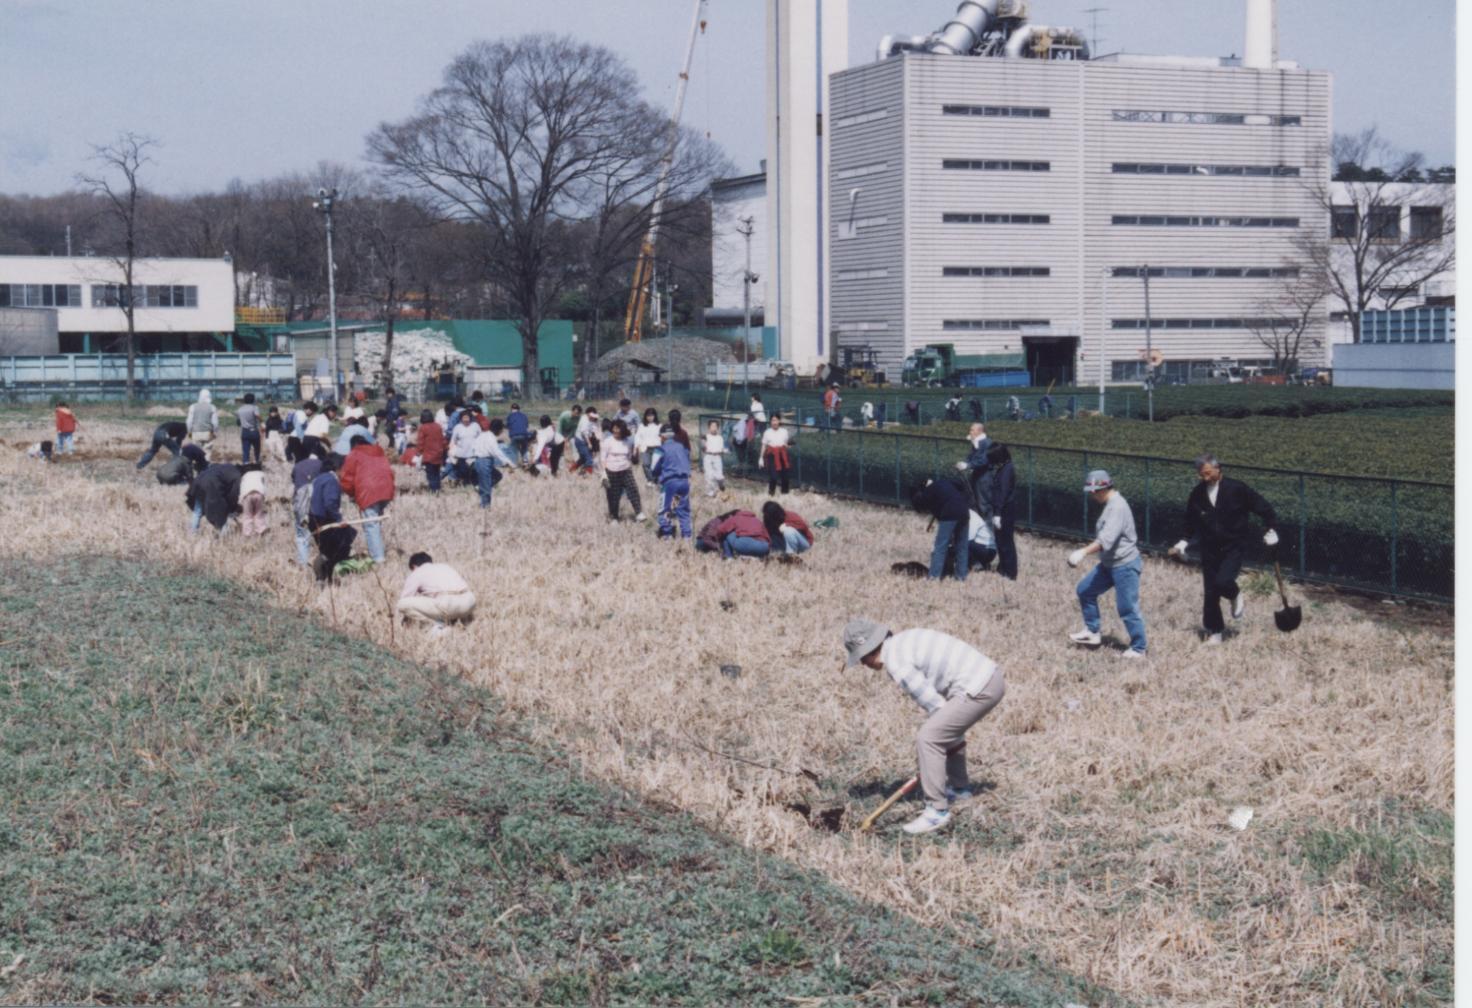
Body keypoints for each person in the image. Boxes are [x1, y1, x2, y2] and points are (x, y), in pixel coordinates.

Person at [842, 620, 1005, 835]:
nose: (863, 664)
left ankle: (936, 811)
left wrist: (930, 762)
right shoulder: (901, 642)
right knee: (941, 731)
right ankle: (959, 789)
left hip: (980, 687)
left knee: (928, 738)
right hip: (990, 678)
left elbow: (936, 708)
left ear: (870, 650)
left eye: (861, 658)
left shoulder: (897, 663)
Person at [1168, 454, 1279, 645]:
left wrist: (1272, 529)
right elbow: (1190, 521)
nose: (1205, 478)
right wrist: (1183, 541)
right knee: (1210, 591)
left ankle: (1235, 594)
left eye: (1208, 473)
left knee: (1224, 581)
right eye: (1201, 475)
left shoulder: (1237, 489)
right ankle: (1214, 631)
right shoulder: (1197, 494)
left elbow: (1264, 508)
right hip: (1209, 547)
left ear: (1219, 468)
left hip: (1233, 545)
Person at [1067, 470, 1146, 658]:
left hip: (1125, 565)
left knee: (1127, 607)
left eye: (1092, 491)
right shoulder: (1110, 504)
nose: (1091, 495)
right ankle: (1092, 632)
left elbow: (1106, 540)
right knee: (1085, 590)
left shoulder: (1117, 507)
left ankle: (1139, 648)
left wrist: (1082, 552)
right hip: (1109, 564)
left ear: (1100, 489)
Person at [339, 434, 394, 563]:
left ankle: (378, 559)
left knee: (371, 525)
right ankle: (378, 551)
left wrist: (352, 494)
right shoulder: (379, 452)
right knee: (376, 522)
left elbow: (346, 479)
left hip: (368, 491)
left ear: (353, 445)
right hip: (386, 489)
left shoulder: (354, 454)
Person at [396, 552, 477, 630]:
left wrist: (403, 621)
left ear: (414, 566)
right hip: (470, 601)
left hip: (449, 604)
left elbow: (405, 599)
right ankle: (460, 622)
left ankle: (437, 627)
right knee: (445, 605)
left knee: (402, 604)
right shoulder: (445, 566)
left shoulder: (417, 572)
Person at [912, 476, 971, 582]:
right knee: (962, 546)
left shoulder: (929, 491)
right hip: (964, 512)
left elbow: (928, 506)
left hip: (950, 514)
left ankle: (934, 577)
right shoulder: (945, 482)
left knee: (940, 546)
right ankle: (961, 576)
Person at [308, 453, 355, 582]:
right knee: (344, 540)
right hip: (324, 519)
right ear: (337, 467)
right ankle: (324, 570)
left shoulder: (320, 478)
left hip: (314, 518)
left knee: (329, 547)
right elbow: (330, 503)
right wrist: (339, 519)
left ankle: (325, 575)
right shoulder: (331, 481)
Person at [600, 418, 645, 521]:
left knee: (633, 490)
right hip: (611, 471)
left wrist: (636, 451)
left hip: (625, 470)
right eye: (614, 428)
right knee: (613, 495)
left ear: (622, 430)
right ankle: (614, 517)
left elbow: (631, 457)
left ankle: (639, 513)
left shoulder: (628, 441)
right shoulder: (608, 441)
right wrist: (604, 472)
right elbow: (603, 458)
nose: (616, 431)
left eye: (618, 429)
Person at [985, 443, 1019, 580]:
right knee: (1001, 540)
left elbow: (1003, 493)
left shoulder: (1006, 470)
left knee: (1006, 541)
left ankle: (1010, 572)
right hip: (1002, 508)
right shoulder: (1004, 468)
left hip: (1005, 509)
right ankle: (1003, 567)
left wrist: (998, 513)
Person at [653, 424, 692, 540]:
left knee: (664, 509)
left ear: (663, 437)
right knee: (683, 509)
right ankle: (687, 535)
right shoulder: (682, 447)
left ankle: (667, 534)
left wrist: (657, 474)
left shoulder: (660, 449)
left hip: (669, 482)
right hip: (684, 481)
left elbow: (653, 467)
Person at [188, 462, 243, 535]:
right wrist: (232, 507)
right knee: (220, 511)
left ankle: (192, 532)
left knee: (198, 510)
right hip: (211, 484)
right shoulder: (237, 475)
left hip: (198, 482)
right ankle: (224, 535)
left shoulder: (225, 467)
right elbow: (234, 494)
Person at [290, 452, 324, 565]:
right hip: (316, 503)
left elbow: (294, 481)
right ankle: (324, 559)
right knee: (322, 531)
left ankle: (302, 563)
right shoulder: (321, 464)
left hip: (301, 503)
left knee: (301, 534)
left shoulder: (298, 465)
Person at [695, 509, 770, 559]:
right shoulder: (758, 521)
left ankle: (728, 557)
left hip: (744, 545)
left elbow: (720, 530)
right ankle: (757, 557)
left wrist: (720, 545)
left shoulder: (736, 518)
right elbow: (767, 537)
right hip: (764, 547)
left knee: (728, 532)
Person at [954, 422, 991, 510]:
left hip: (984, 477)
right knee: (975, 501)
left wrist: (967, 465)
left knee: (983, 503)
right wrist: (964, 463)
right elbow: (971, 456)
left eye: (972, 430)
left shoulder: (986, 443)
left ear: (980, 431)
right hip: (977, 475)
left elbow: (983, 461)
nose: (970, 432)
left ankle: (988, 523)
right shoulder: (977, 442)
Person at [469, 420, 506, 508]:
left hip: (477, 461)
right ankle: (485, 507)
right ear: (498, 430)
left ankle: (479, 487)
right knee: (486, 487)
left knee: (497, 476)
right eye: (501, 430)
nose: (502, 432)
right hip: (485, 461)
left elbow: (473, 447)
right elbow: (496, 452)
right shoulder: (491, 438)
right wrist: (506, 462)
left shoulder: (482, 435)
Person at [759, 413, 793, 496]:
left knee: (785, 477)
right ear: (770, 422)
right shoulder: (767, 432)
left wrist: (788, 446)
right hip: (772, 455)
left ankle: (785, 495)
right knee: (773, 477)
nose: (774, 422)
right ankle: (771, 494)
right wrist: (760, 458)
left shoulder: (784, 431)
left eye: (776, 420)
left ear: (779, 421)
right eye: (772, 420)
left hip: (782, 454)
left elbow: (785, 444)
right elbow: (764, 445)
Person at [417, 410, 447, 492]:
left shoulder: (423, 428)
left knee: (430, 474)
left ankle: (434, 490)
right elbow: (443, 439)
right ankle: (437, 488)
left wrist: (418, 452)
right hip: (438, 454)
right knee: (437, 473)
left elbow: (420, 442)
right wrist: (444, 449)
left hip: (428, 454)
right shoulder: (438, 426)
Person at [447, 410, 480, 484]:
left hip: (473, 453)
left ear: (470, 418)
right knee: (463, 471)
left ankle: (473, 483)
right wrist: (450, 450)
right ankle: (461, 482)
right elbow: (453, 440)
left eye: (467, 417)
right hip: (461, 453)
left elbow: (480, 437)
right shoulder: (457, 427)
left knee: (474, 470)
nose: (465, 419)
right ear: (461, 418)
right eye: (464, 417)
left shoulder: (475, 425)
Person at [186, 389, 220, 458]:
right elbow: (215, 423)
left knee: (196, 453)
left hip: (195, 433)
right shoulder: (212, 407)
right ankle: (206, 467)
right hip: (208, 434)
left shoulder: (192, 406)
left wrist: (189, 432)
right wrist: (215, 432)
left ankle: (197, 467)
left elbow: (189, 422)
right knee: (207, 453)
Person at [239, 463, 268, 537]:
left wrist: (240, 500)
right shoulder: (261, 473)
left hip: (247, 494)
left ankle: (247, 534)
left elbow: (242, 487)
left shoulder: (245, 475)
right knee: (259, 514)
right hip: (259, 493)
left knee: (247, 515)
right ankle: (261, 530)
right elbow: (264, 485)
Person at [635, 408, 662, 485]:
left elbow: (662, 437)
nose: (650, 417)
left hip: (657, 447)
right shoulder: (642, 426)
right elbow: (638, 436)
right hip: (645, 448)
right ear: (645, 416)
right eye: (648, 415)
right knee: (646, 464)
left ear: (655, 416)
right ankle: (650, 480)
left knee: (656, 466)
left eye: (651, 415)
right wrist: (637, 446)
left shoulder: (659, 425)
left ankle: (656, 481)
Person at [702, 419, 727, 497]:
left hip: (717, 457)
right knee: (709, 476)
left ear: (718, 428)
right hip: (708, 456)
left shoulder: (720, 438)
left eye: (716, 426)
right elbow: (703, 447)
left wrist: (725, 451)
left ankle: (721, 485)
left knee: (719, 476)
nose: (714, 428)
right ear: (709, 427)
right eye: (712, 426)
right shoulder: (706, 436)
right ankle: (711, 493)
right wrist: (703, 444)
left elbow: (722, 449)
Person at [574, 407, 600, 475]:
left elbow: (594, 429)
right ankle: (588, 475)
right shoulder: (585, 421)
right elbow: (584, 434)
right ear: (588, 414)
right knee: (589, 458)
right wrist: (589, 443)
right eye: (591, 416)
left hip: (584, 440)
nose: (593, 418)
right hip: (580, 440)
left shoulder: (589, 419)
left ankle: (572, 470)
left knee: (583, 458)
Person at [237, 393, 262, 464]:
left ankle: (246, 464)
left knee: (245, 450)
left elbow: (238, 422)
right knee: (257, 449)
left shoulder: (240, 409)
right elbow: (257, 416)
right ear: (253, 400)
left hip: (245, 432)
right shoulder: (254, 408)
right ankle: (257, 462)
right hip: (254, 431)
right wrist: (262, 422)